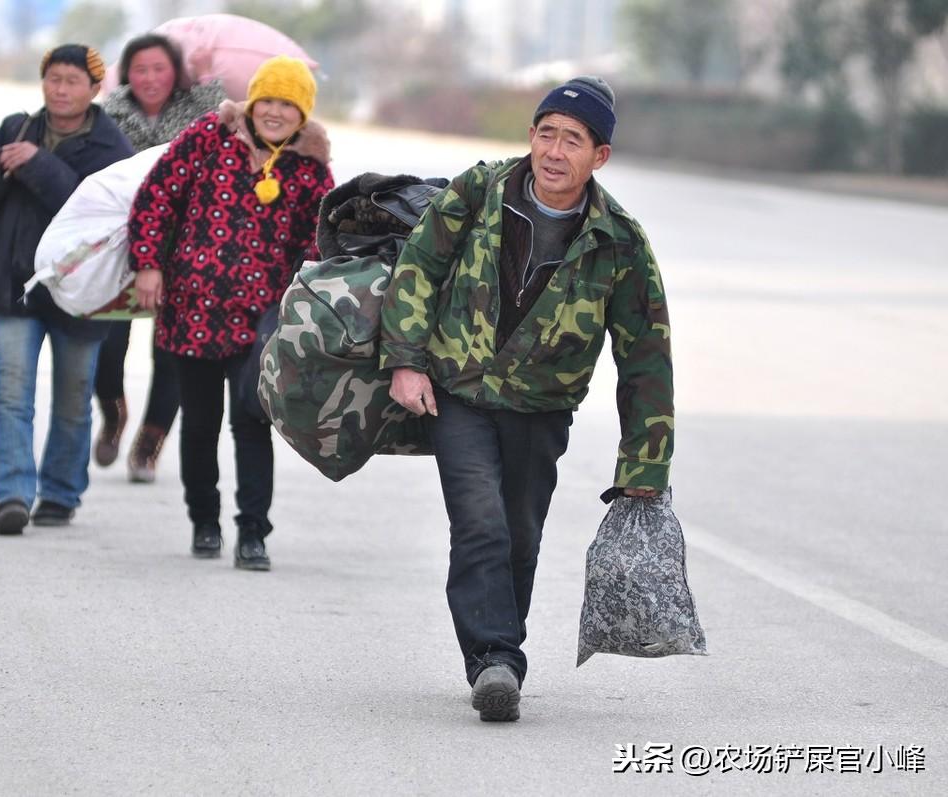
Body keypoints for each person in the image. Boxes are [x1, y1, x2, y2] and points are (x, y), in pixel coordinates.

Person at [379, 77, 673, 722]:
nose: (554, 150)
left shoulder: (618, 241)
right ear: (531, 137)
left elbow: (644, 356)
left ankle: (499, 651)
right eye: (546, 133)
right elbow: (419, 267)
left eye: (573, 139)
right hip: (459, 392)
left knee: (520, 535)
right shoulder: (480, 192)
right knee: (479, 524)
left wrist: (643, 467)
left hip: (542, 408)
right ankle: (496, 661)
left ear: (599, 156)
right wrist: (405, 361)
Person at [128, 56, 333, 570]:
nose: (276, 112)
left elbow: (321, 242)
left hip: (263, 320)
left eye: (289, 104)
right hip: (191, 307)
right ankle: (203, 520)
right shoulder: (207, 138)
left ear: (302, 113)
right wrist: (148, 265)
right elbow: (156, 197)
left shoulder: (310, 168)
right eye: (268, 100)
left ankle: (252, 533)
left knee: (251, 422)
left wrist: (302, 301)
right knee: (199, 423)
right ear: (252, 101)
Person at [0, 45, 133, 535]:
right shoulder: (17, 127)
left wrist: (37, 165)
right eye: (53, 78)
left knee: (74, 398)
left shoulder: (110, 146)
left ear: (95, 89)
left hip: (81, 292)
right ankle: (11, 494)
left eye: (72, 81)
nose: (60, 89)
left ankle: (59, 491)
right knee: (11, 395)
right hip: (15, 286)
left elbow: (96, 211)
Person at [95, 33, 226, 482]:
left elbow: (225, 138)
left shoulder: (200, 113)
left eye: (160, 68)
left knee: (171, 352)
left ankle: (150, 442)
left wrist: (208, 79)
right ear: (127, 74)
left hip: (186, 247)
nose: (150, 78)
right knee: (107, 348)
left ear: (176, 73)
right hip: (119, 245)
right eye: (140, 69)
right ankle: (113, 411)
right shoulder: (109, 114)